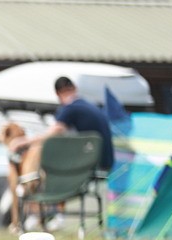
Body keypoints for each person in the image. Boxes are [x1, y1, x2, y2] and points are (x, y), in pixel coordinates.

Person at [7, 77, 114, 231]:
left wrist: (24, 142)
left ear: (58, 94)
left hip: (86, 169)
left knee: (47, 166)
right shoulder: (91, 107)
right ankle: (51, 216)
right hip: (103, 164)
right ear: (74, 88)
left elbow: (52, 133)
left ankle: (41, 216)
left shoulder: (70, 109)